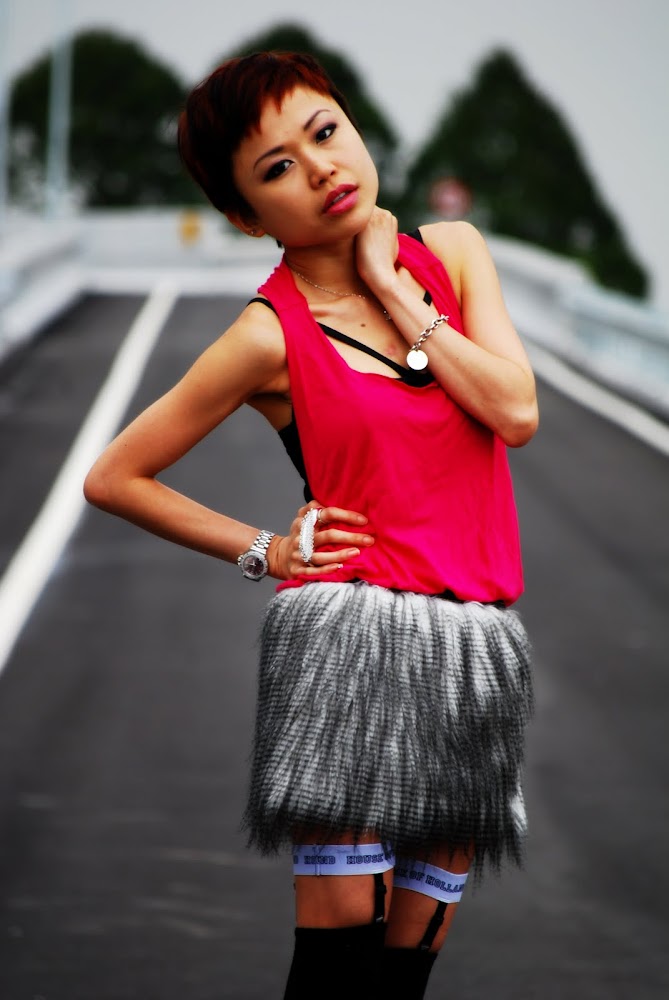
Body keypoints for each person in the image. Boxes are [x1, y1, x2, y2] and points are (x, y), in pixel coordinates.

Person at [84, 50, 538, 1000]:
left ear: (354, 126)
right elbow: (115, 476)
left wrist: (393, 287)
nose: (321, 168)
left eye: (325, 132)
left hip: (472, 652)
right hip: (345, 646)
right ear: (246, 216)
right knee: (338, 973)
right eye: (277, 167)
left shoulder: (452, 255)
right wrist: (268, 550)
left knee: (402, 977)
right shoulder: (266, 335)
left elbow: (514, 411)